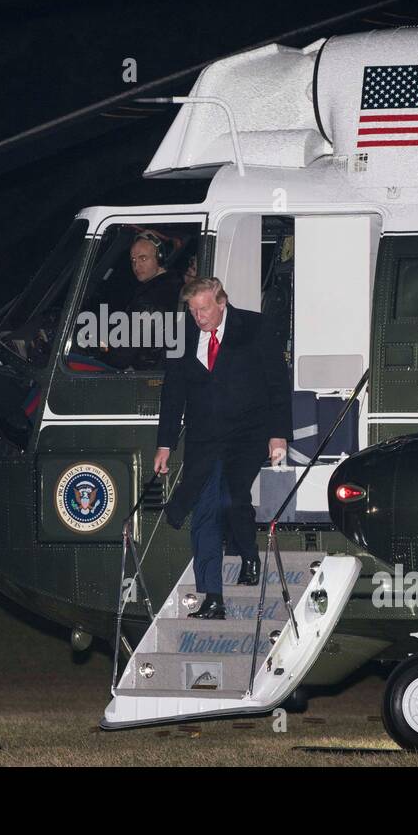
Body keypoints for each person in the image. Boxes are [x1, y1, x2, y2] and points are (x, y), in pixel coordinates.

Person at [153, 277, 292, 619]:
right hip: (205, 437)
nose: (198, 317)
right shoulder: (182, 333)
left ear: (221, 302)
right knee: (204, 513)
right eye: (192, 310)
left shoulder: (255, 327)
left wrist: (278, 434)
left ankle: (248, 554)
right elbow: (173, 392)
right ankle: (212, 598)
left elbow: (277, 383)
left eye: (203, 309)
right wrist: (165, 444)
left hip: (248, 433)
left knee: (231, 496)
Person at [103, 232, 183, 370]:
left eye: (143, 258)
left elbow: (122, 357)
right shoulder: (173, 285)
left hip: (141, 373)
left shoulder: (151, 300)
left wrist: (102, 352)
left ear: (160, 258)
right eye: (133, 260)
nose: (136, 266)